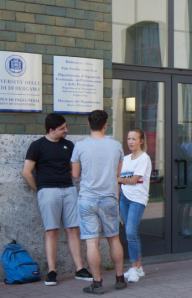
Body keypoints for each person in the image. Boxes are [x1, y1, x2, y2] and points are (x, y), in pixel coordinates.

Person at [21, 113, 90, 286]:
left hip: (68, 189)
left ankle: (80, 269)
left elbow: (74, 169)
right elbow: (26, 172)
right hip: (48, 191)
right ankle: (52, 271)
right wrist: (40, 190)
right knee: (52, 231)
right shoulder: (37, 146)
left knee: (73, 229)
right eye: (62, 128)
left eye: (65, 127)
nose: (66, 130)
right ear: (51, 130)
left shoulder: (69, 145)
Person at [70, 110, 127, 293]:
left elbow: (75, 174)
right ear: (105, 125)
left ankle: (97, 283)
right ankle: (120, 279)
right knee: (114, 238)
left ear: (89, 124)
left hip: (87, 198)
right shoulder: (116, 145)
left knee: (91, 242)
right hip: (109, 198)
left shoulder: (80, 146)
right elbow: (118, 174)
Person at [119, 129, 152, 283]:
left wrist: (117, 178)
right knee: (131, 232)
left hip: (137, 199)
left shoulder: (144, 158)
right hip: (124, 198)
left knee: (130, 232)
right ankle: (138, 268)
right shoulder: (125, 159)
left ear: (141, 141)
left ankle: (133, 268)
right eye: (128, 139)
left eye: (134, 139)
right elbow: (124, 180)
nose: (130, 142)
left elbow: (133, 180)